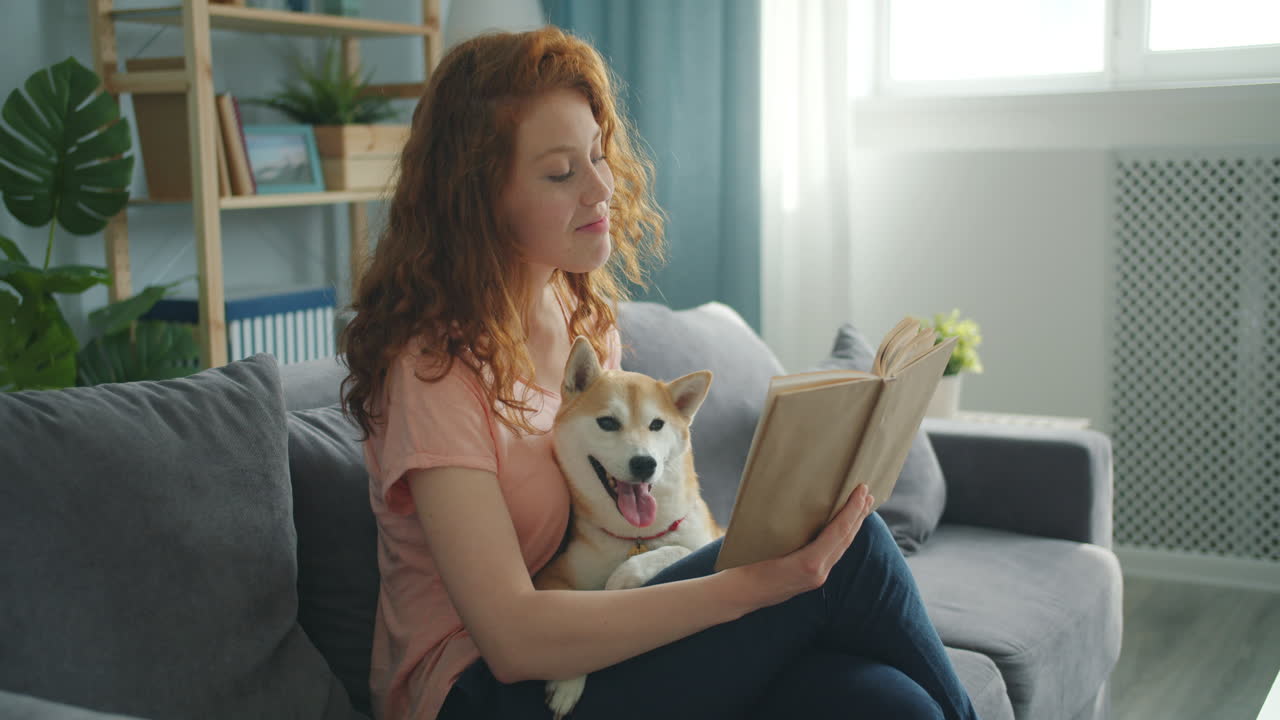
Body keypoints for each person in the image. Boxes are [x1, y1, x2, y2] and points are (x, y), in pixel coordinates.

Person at [339, 25, 979, 720]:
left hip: (601, 641)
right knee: (855, 553)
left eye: (596, 155)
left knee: (887, 704)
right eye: (561, 173)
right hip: (482, 690)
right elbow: (513, 639)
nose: (602, 187)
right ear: (479, 201)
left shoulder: (584, 322)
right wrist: (751, 585)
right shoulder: (434, 370)